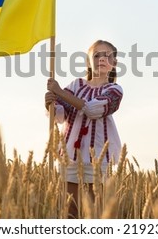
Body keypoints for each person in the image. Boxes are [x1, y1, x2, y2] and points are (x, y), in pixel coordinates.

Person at [45, 40, 123, 218]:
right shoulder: (76, 85)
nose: (102, 59)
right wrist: (50, 103)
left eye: (107, 55)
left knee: (93, 211)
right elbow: (60, 115)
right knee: (70, 210)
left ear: (114, 63)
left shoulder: (114, 89)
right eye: (96, 55)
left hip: (99, 158)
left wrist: (60, 92)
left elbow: (94, 110)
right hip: (70, 156)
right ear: (89, 62)